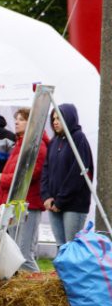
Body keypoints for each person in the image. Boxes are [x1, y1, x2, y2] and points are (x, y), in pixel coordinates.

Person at [0, 108, 48, 272]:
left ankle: (40, 292)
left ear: (31, 122)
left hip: (29, 205)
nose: (16, 122)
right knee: (16, 256)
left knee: (24, 256)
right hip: (17, 204)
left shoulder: (37, 146)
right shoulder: (20, 144)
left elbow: (27, 175)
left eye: (22, 119)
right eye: (16, 119)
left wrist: (3, 178)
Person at [41, 104, 93, 246]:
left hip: (73, 205)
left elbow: (78, 174)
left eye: (59, 118)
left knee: (71, 248)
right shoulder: (54, 142)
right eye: (53, 119)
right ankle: (61, 270)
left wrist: (61, 200)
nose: (55, 122)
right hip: (53, 204)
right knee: (61, 247)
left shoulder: (78, 139)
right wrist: (46, 196)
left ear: (69, 118)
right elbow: (46, 169)